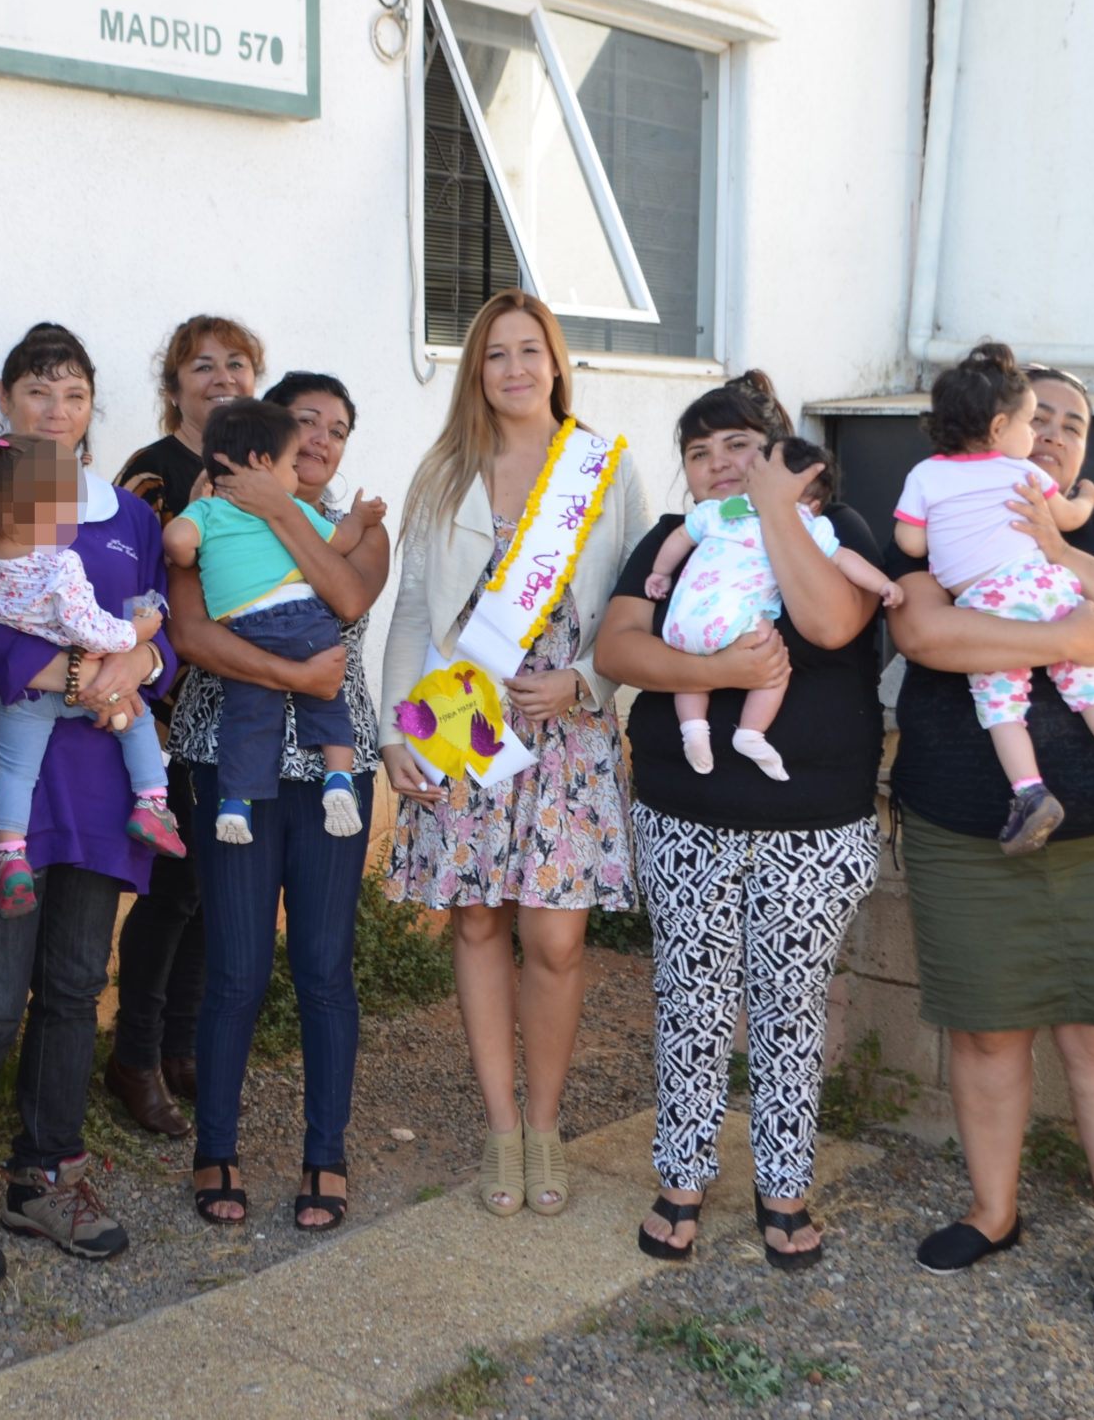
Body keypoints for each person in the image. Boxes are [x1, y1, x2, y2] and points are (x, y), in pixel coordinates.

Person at [887, 362, 1094, 1332]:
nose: (1054, 431)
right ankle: (991, 1212)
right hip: (966, 823)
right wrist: (1073, 639)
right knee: (984, 1031)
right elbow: (926, 636)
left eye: (1072, 422)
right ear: (999, 427)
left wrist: (1062, 555)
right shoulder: (945, 507)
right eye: (1040, 414)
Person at [0, 324, 176, 1284]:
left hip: (99, 785)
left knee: (69, 986)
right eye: (39, 391)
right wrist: (51, 668)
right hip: (2, 781)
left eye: (75, 394)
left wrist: (142, 659)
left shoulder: (125, 514)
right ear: (6, 402)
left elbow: (156, 625)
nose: (57, 410)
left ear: (94, 411)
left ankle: (44, 1174)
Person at [596, 371, 888, 1271]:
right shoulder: (671, 541)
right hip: (688, 814)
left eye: (739, 447)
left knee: (790, 1007)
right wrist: (722, 668)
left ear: (778, 452)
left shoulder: (839, 530)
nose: (720, 465)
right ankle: (681, 1176)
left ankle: (784, 1184)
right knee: (690, 996)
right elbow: (616, 646)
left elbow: (832, 623)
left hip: (814, 821)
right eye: (700, 452)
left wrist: (780, 514)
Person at [380, 290, 647, 1220]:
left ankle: (549, 1123)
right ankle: (504, 1126)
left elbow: (632, 606)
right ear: (477, 372)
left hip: (566, 729)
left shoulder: (603, 470)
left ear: (557, 362)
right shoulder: (446, 472)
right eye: (496, 354)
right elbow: (415, 613)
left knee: (556, 936)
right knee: (479, 923)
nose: (515, 369)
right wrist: (394, 732)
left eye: (530, 351)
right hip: (465, 723)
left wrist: (587, 682)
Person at [167, 372, 388, 1228]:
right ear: (270, 437)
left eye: (339, 426)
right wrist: (296, 674)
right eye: (308, 422)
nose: (325, 438)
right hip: (228, 763)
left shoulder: (355, 525)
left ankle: (324, 1155)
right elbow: (191, 634)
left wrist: (284, 507)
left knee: (325, 967)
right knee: (235, 967)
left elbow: (347, 596)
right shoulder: (211, 510)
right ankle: (215, 1147)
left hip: (336, 768)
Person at [893, 343, 1094, 853]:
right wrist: (1086, 498)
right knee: (1090, 683)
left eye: (1070, 427)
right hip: (1047, 589)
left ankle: (1030, 794)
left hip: (986, 604)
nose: (1041, 436)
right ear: (999, 428)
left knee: (1001, 709)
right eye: (1032, 422)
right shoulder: (1023, 473)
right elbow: (1067, 517)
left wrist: (947, 531)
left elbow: (910, 542)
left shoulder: (926, 476)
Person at [109, 315, 265, 1132]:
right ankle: (133, 1057)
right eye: (201, 366)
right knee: (170, 895)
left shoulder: (261, 475)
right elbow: (127, 588)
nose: (221, 378)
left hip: (242, 714)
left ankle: (184, 1048)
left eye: (235, 364)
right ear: (174, 386)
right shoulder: (154, 475)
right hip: (168, 720)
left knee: (214, 892)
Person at [0, 431, 184, 915]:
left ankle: (11, 855)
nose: (71, 519)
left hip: (18, 693)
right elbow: (94, 628)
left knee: (15, 772)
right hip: (76, 681)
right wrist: (137, 634)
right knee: (138, 723)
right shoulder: (59, 565)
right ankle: (151, 804)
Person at [165, 397, 374, 844]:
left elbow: (179, 544)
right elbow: (341, 541)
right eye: (291, 461)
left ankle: (235, 804)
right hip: (304, 622)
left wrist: (192, 513)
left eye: (337, 432)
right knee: (330, 703)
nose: (298, 471)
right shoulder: (300, 510)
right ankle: (339, 780)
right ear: (263, 461)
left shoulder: (209, 511)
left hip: (245, 633)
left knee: (246, 714)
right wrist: (359, 517)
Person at [643, 437, 900, 779]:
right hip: (736, 622)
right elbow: (844, 559)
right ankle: (750, 732)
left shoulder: (726, 508)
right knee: (772, 662)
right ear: (815, 501)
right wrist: (883, 584)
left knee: (692, 670)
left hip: (681, 621)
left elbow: (680, 537)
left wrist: (659, 573)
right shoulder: (805, 522)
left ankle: (693, 730)